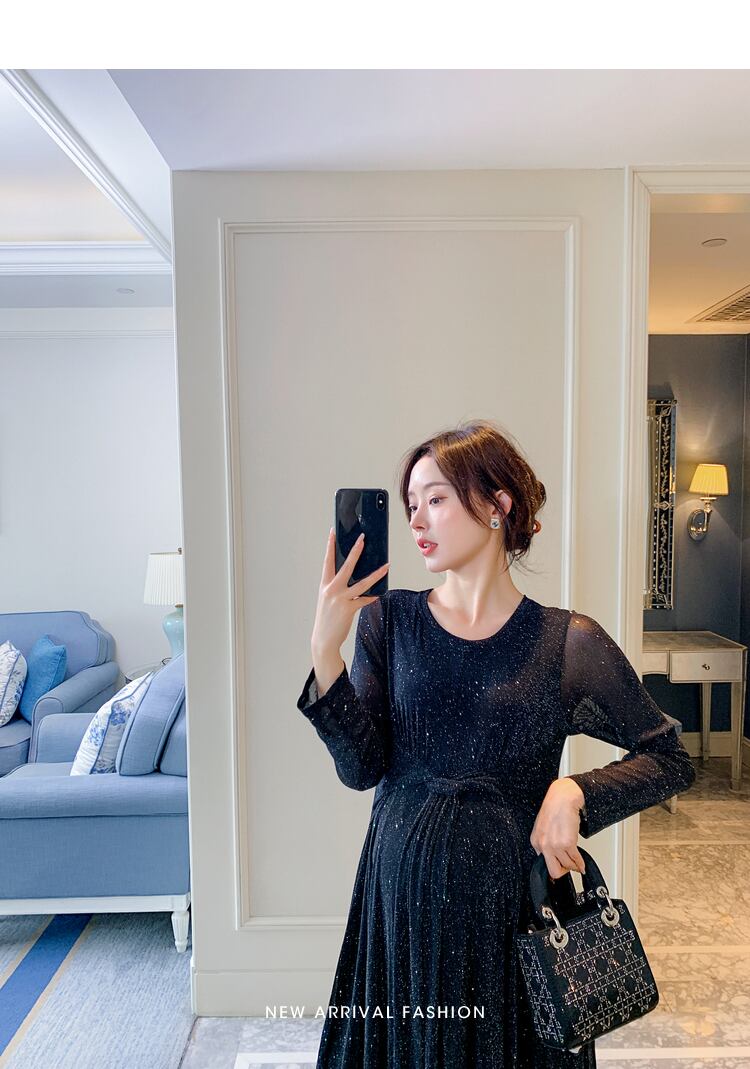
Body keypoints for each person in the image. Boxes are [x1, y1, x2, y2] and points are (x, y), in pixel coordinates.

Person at [297, 418, 696, 1068]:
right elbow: (361, 768)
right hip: (400, 911)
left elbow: (670, 758)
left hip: (511, 917)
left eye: (434, 498)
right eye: (410, 503)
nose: (416, 519)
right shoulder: (387, 622)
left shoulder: (566, 642)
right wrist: (325, 652)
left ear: (495, 504)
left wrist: (576, 792)